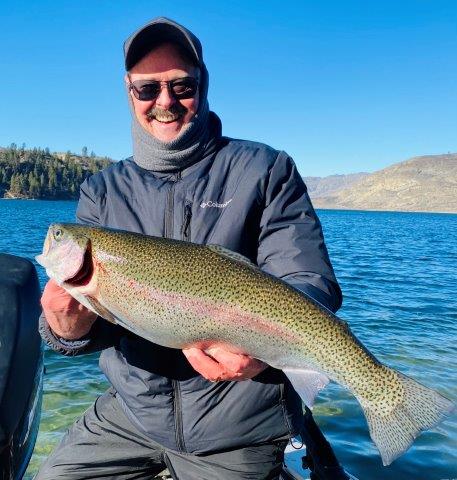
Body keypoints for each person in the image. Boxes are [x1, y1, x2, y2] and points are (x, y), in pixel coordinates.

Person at [37, 17, 349, 480]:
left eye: (181, 85)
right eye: (148, 88)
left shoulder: (265, 169)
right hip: (131, 415)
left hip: (240, 425)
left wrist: (263, 346)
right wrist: (65, 330)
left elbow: (306, 278)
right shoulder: (102, 191)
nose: (165, 101)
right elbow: (101, 327)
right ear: (129, 92)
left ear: (204, 86)